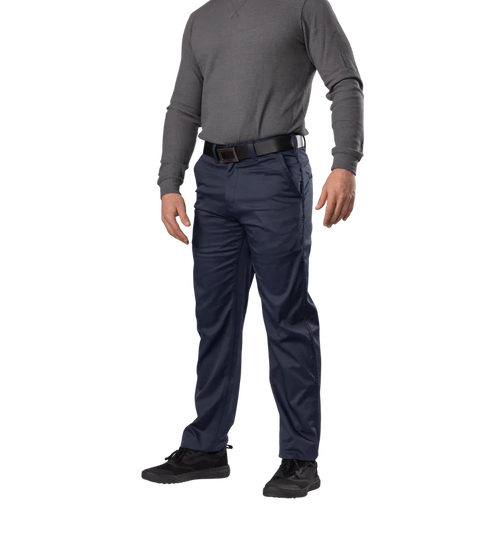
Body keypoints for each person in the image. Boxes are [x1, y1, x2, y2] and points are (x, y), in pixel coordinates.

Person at [141, 0, 366, 502]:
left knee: (287, 314)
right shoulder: (201, 16)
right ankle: (206, 446)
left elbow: (345, 82)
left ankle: (300, 454)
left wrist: (344, 164)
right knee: (213, 316)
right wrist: (168, 183)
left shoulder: (306, 4)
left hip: (277, 173)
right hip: (210, 179)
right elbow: (183, 105)